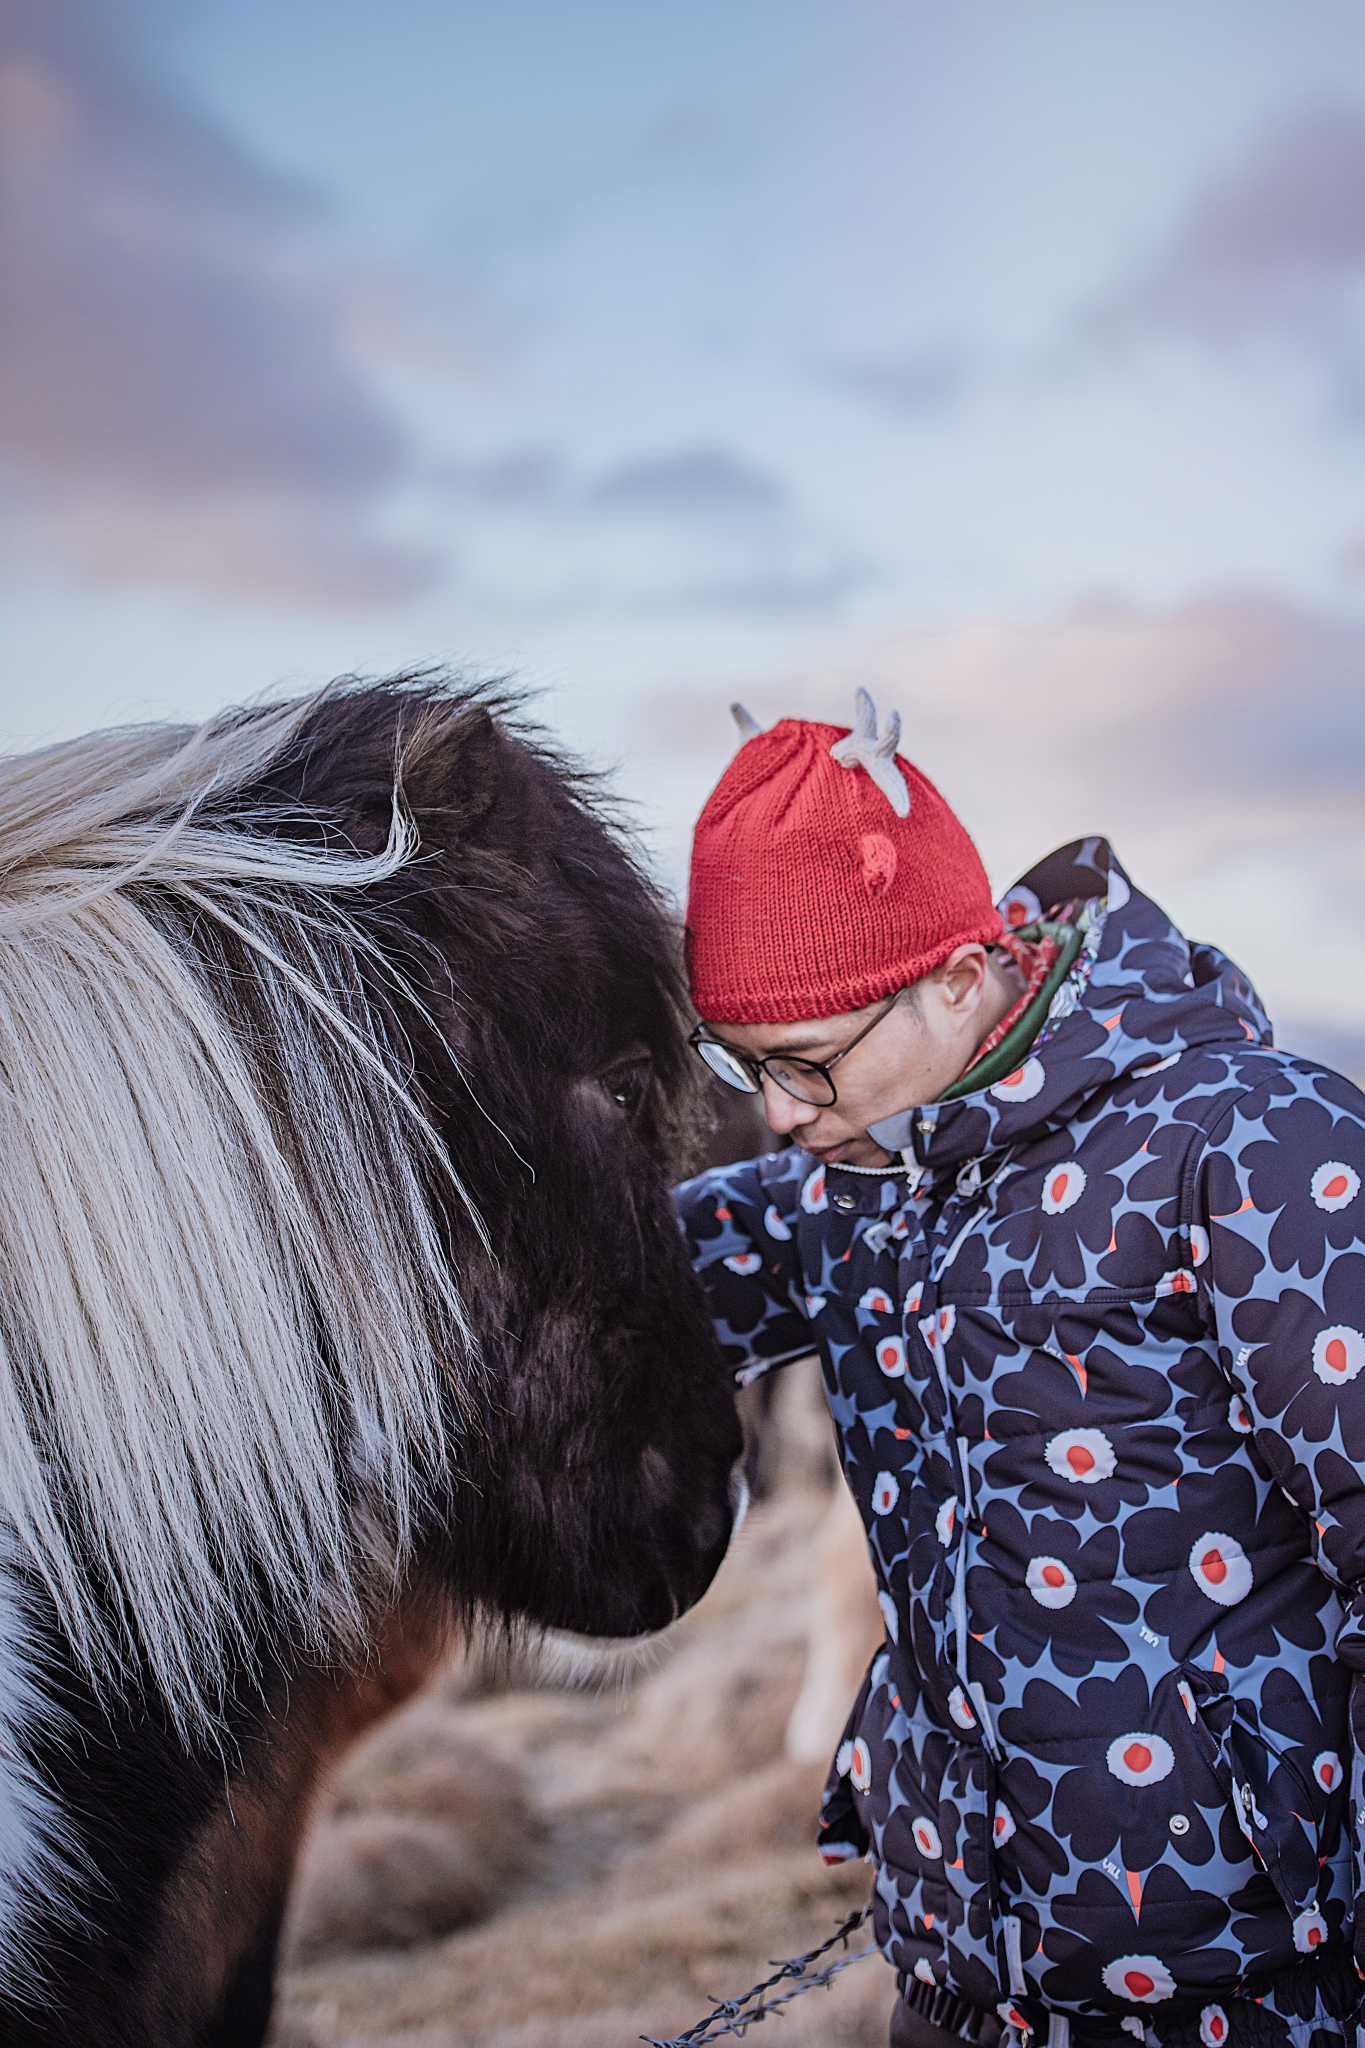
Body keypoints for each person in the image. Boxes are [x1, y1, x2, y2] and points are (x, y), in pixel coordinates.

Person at [675, 691, 1365, 2048]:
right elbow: (588, 1287)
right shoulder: (843, 1189)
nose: (776, 1118)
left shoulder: (1253, 1145)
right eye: (744, 1067)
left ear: (954, 976)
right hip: (959, 1969)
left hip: (1251, 1979)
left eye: (805, 1066)